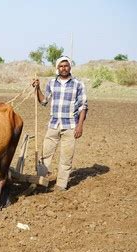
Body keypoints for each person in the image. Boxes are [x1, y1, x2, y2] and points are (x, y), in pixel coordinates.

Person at [32, 56, 88, 191]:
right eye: (61, 66)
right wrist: (37, 88)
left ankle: (61, 185)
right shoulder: (51, 83)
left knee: (66, 158)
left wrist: (80, 125)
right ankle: (41, 181)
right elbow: (44, 101)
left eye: (66, 65)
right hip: (53, 124)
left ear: (70, 67)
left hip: (70, 126)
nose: (64, 68)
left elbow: (83, 106)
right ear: (57, 68)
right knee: (45, 155)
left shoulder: (78, 84)